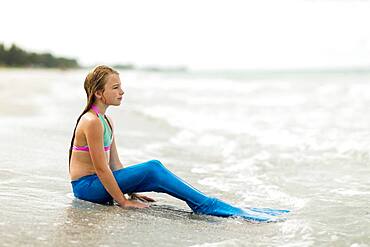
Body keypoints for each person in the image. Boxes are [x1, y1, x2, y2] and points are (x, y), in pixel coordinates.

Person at [68, 65, 289, 222]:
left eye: (121, 86)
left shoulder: (106, 120)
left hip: (99, 184)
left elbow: (115, 164)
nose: (122, 91)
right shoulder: (91, 121)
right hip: (87, 188)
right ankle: (205, 204)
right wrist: (123, 202)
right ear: (98, 92)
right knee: (153, 168)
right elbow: (101, 168)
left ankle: (209, 203)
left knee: (152, 170)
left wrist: (130, 191)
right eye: (115, 87)